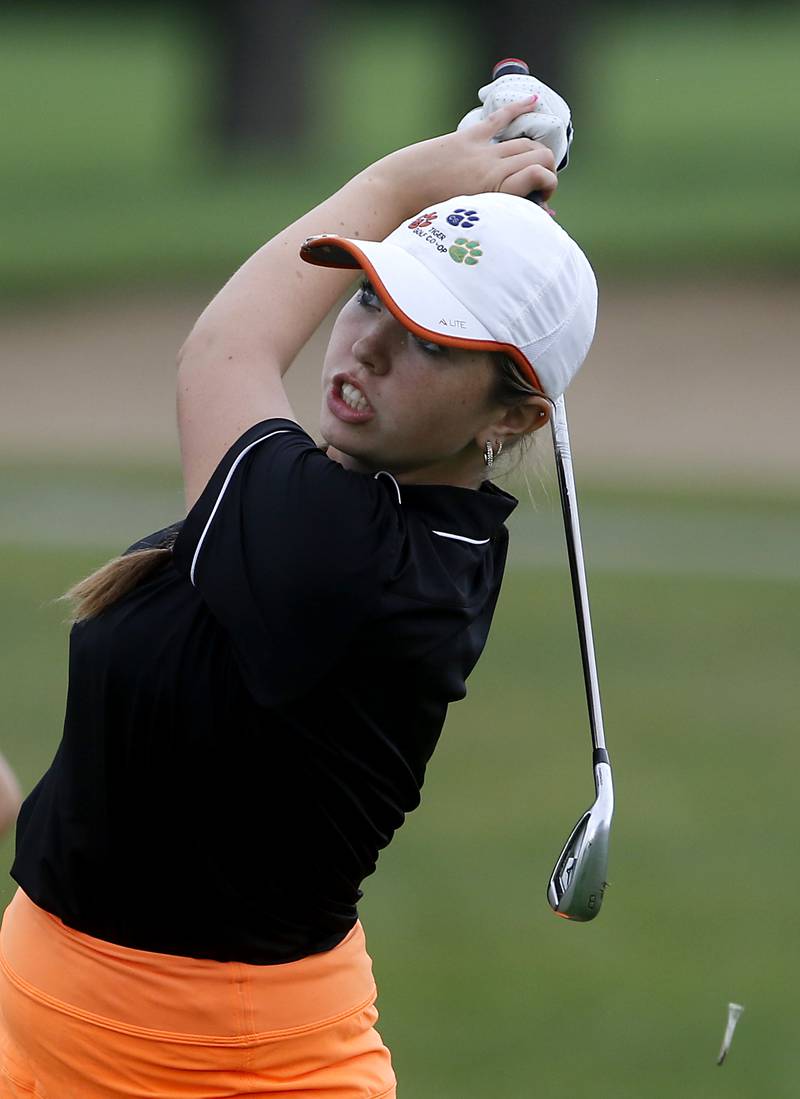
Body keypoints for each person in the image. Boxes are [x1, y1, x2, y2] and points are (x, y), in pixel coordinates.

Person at [0, 94, 596, 1098]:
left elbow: (223, 353)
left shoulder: (342, 552)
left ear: (514, 414)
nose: (363, 348)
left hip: (214, 1066)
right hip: (57, 1017)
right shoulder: (393, 513)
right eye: (368, 295)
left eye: (432, 342)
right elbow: (187, 742)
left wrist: (395, 186)